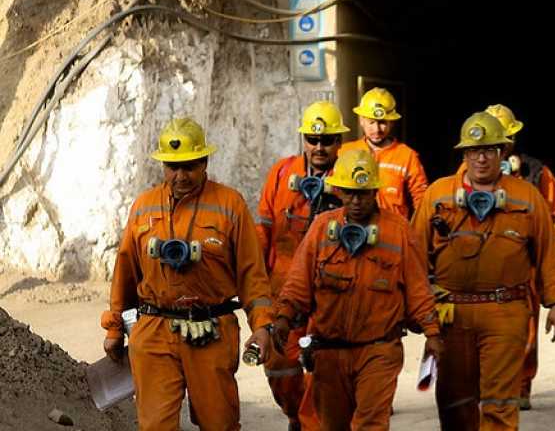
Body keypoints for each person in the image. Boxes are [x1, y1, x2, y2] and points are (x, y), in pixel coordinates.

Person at [100, 118, 274, 430]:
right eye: (172, 167)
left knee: (219, 423)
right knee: (155, 426)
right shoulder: (143, 207)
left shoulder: (229, 205)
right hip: (154, 329)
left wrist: (262, 327)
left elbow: (253, 274)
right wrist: (114, 328)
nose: (181, 176)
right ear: (163, 165)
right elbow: (125, 272)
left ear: (205, 162)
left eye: (190, 166)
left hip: (211, 331)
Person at [411, 112, 555, 430]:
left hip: (504, 312)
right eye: (474, 151)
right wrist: (414, 310)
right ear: (464, 154)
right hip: (451, 314)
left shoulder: (526, 197)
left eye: (489, 150)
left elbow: (548, 252)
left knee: (499, 404)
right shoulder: (438, 195)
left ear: (502, 152)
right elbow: (414, 256)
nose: (481, 158)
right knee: (454, 402)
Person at [271, 149, 442, 430]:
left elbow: (418, 289)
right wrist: (282, 319)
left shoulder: (398, 231)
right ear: (338, 190)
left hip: (379, 350)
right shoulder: (322, 228)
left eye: (363, 194)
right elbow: (298, 283)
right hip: (328, 351)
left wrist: (432, 333)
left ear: (374, 190)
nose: (356, 201)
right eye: (349, 193)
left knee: (371, 424)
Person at [459, 103, 555, 410]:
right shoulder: (460, 176)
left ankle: (521, 385)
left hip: (522, 266)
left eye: (502, 141)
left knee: (525, 331)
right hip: (473, 268)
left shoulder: (535, 172)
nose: (493, 150)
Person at [254, 100, 348, 429]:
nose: (319, 147)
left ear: (340, 142)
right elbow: (263, 231)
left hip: (331, 296)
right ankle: (296, 416)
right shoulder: (281, 173)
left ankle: (313, 424)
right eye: (312, 139)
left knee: (321, 371)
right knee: (280, 368)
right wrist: (255, 288)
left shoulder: (352, 177)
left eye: (327, 140)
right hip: (284, 294)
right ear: (303, 139)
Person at [340, 87, 429, 218]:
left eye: (382, 123)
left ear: (391, 122)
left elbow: (422, 199)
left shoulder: (407, 156)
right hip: (353, 230)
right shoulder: (345, 152)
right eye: (371, 122)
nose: (376, 129)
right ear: (361, 121)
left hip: (393, 231)